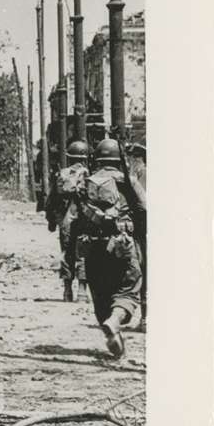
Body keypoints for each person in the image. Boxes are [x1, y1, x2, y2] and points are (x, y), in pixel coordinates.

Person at [75, 137, 146, 357]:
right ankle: (115, 322)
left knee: (101, 294)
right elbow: (144, 210)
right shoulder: (127, 180)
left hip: (93, 247)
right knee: (128, 288)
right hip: (122, 244)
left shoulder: (86, 181)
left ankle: (112, 336)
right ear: (118, 158)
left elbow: (76, 217)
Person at [47, 140, 92, 303]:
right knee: (83, 254)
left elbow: (51, 199)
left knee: (67, 253)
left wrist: (51, 220)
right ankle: (81, 292)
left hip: (66, 219)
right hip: (84, 219)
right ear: (85, 157)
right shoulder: (89, 175)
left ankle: (67, 292)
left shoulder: (63, 174)